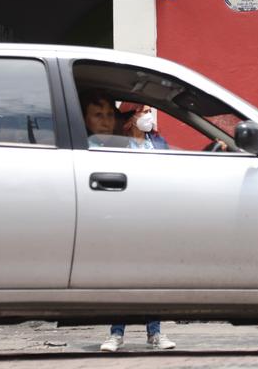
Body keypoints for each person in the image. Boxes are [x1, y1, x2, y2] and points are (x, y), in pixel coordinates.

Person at [99, 101, 175, 353]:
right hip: (126, 215)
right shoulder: (117, 145)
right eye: (143, 112)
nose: (149, 116)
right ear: (130, 120)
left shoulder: (159, 143)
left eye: (148, 112)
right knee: (125, 277)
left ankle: (155, 334)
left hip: (154, 215)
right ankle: (116, 335)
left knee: (150, 278)